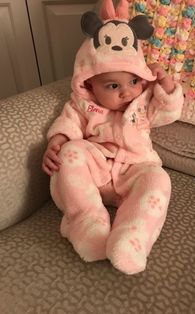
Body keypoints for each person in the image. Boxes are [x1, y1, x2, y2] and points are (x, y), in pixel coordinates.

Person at [42, 0, 184, 275]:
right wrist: (56, 142)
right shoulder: (82, 105)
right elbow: (68, 124)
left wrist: (165, 83)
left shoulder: (142, 103)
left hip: (134, 169)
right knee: (71, 152)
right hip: (96, 170)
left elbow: (169, 111)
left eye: (133, 82)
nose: (126, 92)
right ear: (90, 83)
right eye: (113, 86)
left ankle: (133, 236)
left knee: (159, 179)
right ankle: (85, 221)